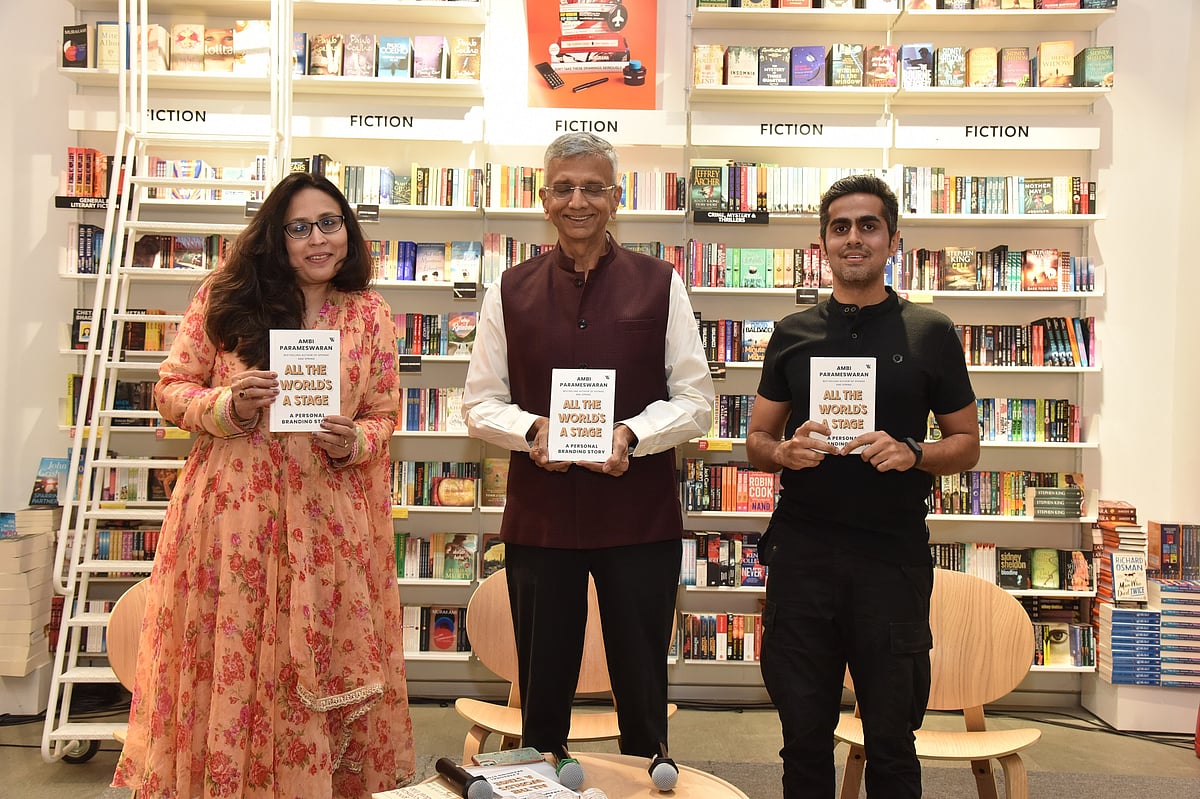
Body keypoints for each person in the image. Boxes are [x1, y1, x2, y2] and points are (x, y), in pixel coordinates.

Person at [112, 172, 415, 798]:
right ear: (276, 237)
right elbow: (171, 388)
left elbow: (384, 414)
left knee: (317, 661)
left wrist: (354, 441)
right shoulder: (224, 296)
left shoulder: (370, 313)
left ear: (348, 231)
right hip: (234, 520)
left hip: (326, 521)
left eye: (329, 223)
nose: (318, 239)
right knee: (237, 658)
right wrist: (228, 404)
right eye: (299, 228)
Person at [462, 132, 714, 791]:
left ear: (616, 197)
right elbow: (480, 403)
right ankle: (541, 779)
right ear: (543, 198)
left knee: (642, 686)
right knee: (542, 690)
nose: (579, 201)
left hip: (640, 518)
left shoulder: (661, 283)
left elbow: (697, 401)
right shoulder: (508, 290)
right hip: (542, 522)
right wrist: (531, 430)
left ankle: (646, 777)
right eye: (565, 187)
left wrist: (631, 433)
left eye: (594, 187)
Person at [744, 173, 980, 799]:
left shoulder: (930, 331)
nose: (854, 238)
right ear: (822, 242)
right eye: (840, 227)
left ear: (893, 240)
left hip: (891, 559)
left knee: (893, 742)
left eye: (868, 226)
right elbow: (757, 441)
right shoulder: (793, 333)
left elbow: (966, 444)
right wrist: (784, 452)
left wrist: (913, 452)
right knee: (803, 739)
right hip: (803, 555)